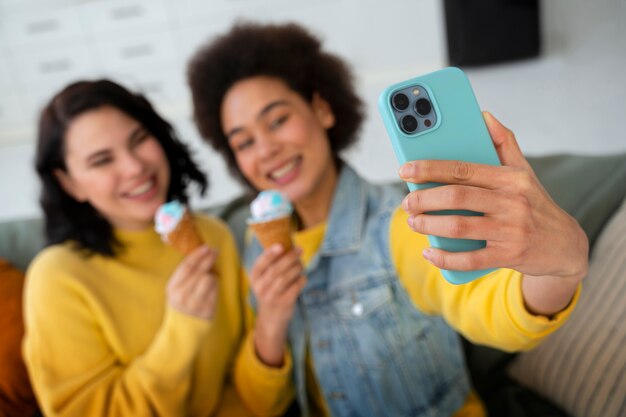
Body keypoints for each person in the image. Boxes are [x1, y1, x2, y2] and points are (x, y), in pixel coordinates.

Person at [187, 22, 589, 417]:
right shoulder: (254, 250)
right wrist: (271, 323)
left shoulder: (401, 225)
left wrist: (558, 269)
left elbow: (492, 311)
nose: (267, 150)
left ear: (322, 108)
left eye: (277, 120)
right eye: (244, 142)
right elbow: (259, 404)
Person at [23, 80, 279, 417]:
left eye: (139, 139)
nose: (134, 167)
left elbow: (254, 399)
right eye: (102, 160)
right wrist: (182, 330)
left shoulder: (212, 236)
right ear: (69, 183)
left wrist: (273, 318)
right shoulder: (57, 277)